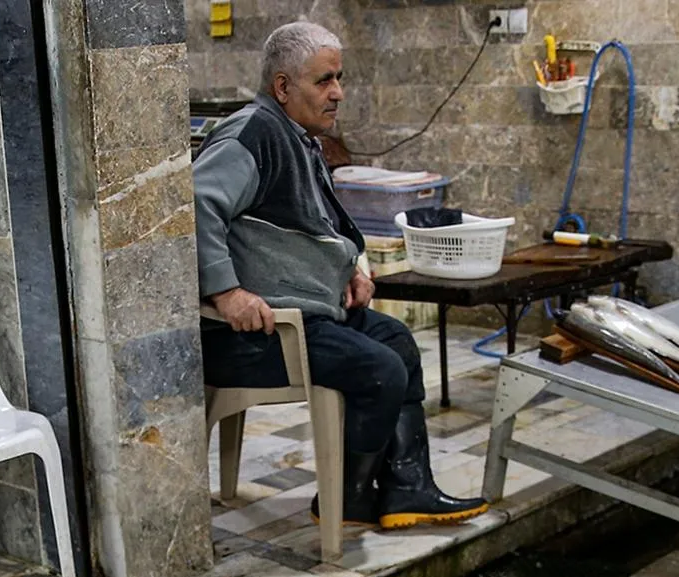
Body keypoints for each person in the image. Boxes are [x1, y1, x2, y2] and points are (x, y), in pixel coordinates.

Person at [194, 20, 488, 530]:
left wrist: (348, 269)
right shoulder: (254, 133)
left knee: (398, 344)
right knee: (380, 370)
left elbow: (312, 226)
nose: (338, 93)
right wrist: (227, 292)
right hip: (258, 335)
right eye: (324, 80)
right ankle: (346, 498)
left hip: (313, 314)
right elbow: (197, 204)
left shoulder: (299, 138)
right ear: (283, 87)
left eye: (339, 78)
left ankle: (406, 489)